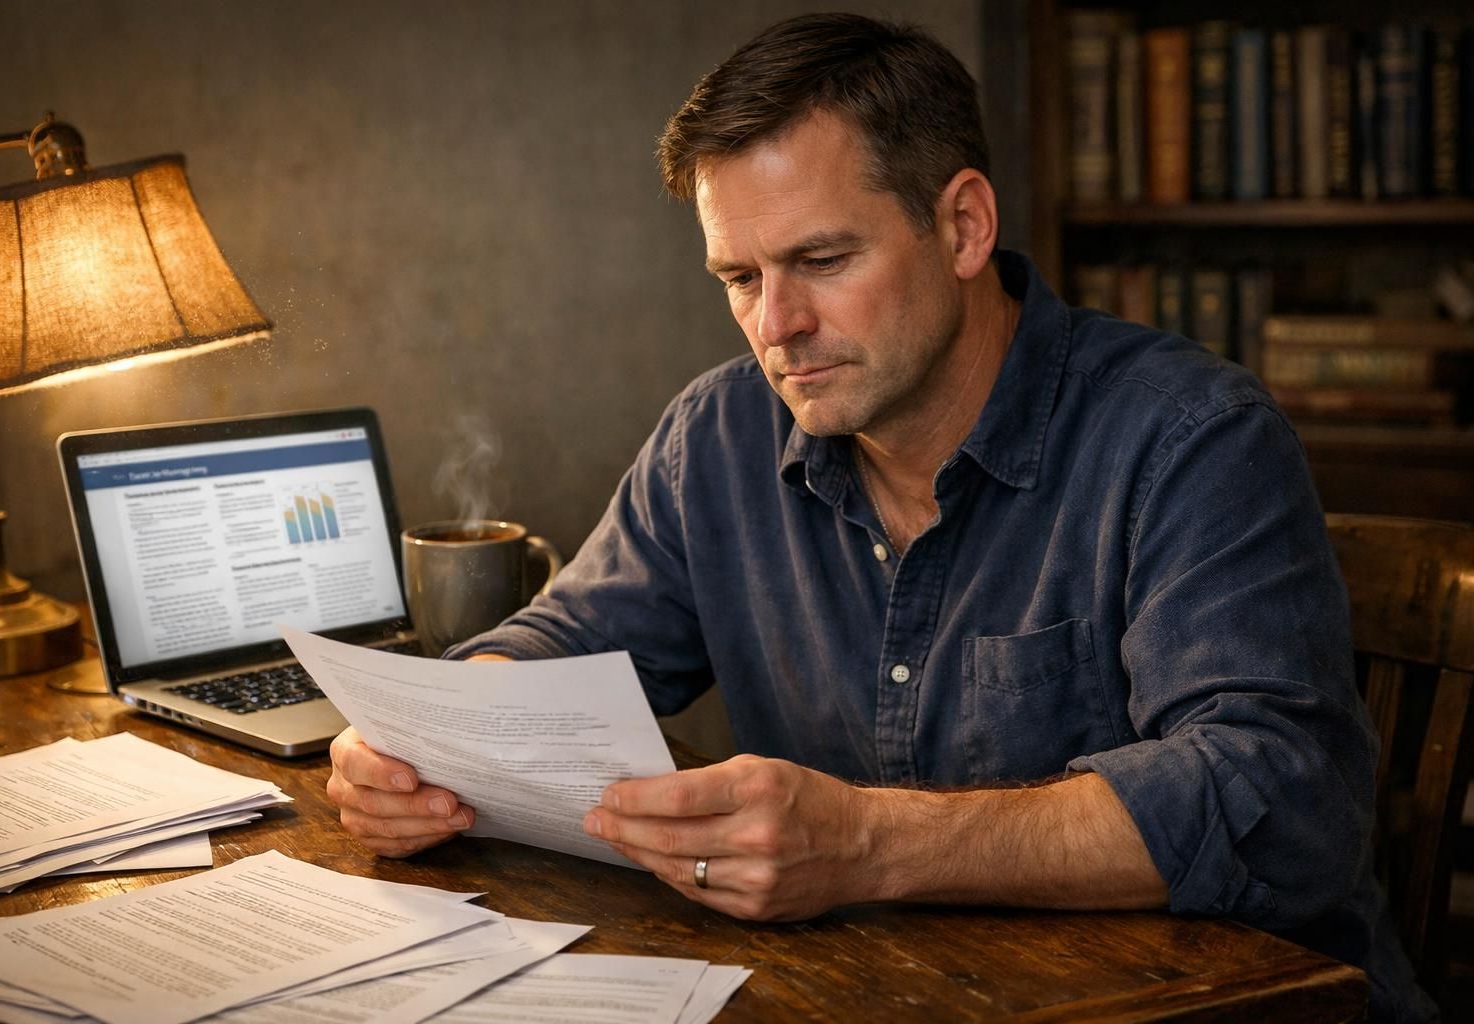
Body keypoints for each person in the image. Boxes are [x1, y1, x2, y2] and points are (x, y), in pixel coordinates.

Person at [327, 13, 1434, 1022]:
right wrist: (423, 738)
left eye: (821, 259)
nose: (777, 325)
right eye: (740, 276)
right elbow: (564, 644)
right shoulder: (716, 436)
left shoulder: (1192, 436)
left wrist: (863, 842)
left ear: (962, 225)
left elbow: (1278, 799)